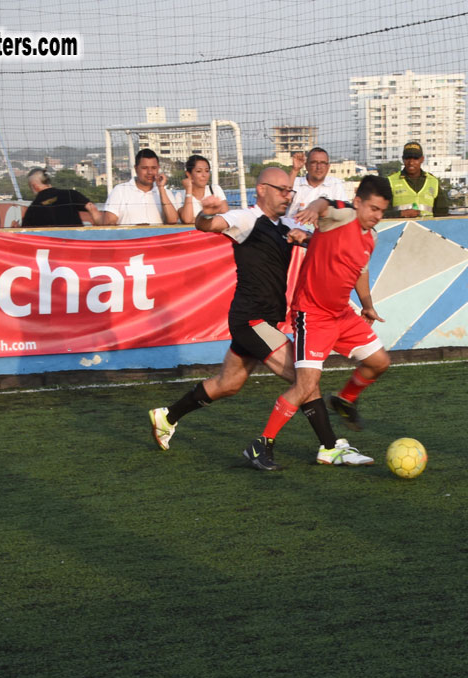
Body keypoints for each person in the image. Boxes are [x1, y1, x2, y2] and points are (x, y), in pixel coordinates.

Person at [148, 167, 353, 464]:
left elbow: (321, 240)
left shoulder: (283, 224)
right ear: (261, 189)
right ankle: (329, 445)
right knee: (304, 378)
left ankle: (167, 416)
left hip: (260, 321)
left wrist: (306, 236)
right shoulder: (245, 218)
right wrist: (205, 213)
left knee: (226, 384)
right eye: (281, 190)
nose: (288, 195)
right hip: (251, 320)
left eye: (290, 191)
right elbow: (206, 225)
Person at [242, 176, 394, 471]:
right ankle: (261, 446)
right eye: (373, 208)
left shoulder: (370, 237)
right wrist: (312, 208)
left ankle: (345, 400)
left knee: (380, 361)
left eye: (382, 211)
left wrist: (367, 305)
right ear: (359, 202)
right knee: (305, 386)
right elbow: (325, 205)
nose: (377, 216)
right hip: (312, 315)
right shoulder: (343, 215)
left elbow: (360, 272)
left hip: (342, 315)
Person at [100, 149, 177, 226]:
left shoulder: (165, 193)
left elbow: (172, 221)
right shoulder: (120, 190)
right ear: (136, 168)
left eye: (153, 168)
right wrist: (135, 231)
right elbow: (109, 223)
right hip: (128, 237)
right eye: (144, 168)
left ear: (158, 168)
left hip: (157, 238)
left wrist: (161, 188)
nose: (150, 172)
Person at [286, 147, 348, 229]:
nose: (319, 167)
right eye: (314, 163)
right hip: (292, 232)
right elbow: (284, 198)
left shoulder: (335, 184)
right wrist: (295, 170)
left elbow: (344, 212)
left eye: (322, 163)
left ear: (328, 167)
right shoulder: (295, 181)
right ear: (306, 166)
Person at [385, 141, 448, 218]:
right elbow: (381, 214)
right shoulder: (391, 181)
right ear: (403, 159)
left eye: (415, 158)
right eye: (408, 158)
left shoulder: (433, 181)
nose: (411, 162)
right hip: (400, 229)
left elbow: (443, 212)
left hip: (427, 229)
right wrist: (401, 214)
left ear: (422, 159)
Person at [21, 168, 102, 227]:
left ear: (35, 186)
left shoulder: (34, 208)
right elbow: (92, 208)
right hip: (77, 242)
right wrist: (103, 230)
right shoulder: (70, 194)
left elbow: (25, 232)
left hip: (53, 246)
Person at [176, 154, 226, 225]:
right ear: (189, 174)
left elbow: (225, 215)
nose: (204, 175)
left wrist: (197, 220)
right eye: (199, 171)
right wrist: (188, 191)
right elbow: (187, 220)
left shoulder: (215, 189)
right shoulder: (180, 195)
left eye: (207, 171)